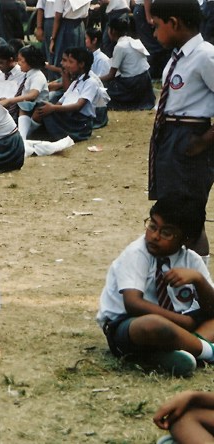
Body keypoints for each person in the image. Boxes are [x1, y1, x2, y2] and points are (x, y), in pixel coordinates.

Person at [97, 197, 214, 377]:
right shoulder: (137, 253)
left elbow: (211, 309)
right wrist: (182, 322)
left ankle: (172, 354)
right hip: (129, 326)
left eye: (166, 233)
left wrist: (199, 280)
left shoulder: (192, 260)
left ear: (187, 239)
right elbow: (133, 303)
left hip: (182, 326)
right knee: (155, 325)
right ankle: (206, 351)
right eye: (152, 226)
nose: (154, 236)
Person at [148, 0, 214, 259]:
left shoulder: (206, 56)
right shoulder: (177, 58)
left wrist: (203, 141)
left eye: (157, 26)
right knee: (171, 212)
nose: (154, 33)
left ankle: (200, 276)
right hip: (169, 137)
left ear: (174, 23)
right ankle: (175, 271)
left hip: (190, 137)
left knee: (189, 217)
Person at [31, 47, 100, 142]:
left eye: (71, 62)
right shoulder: (75, 82)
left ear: (81, 64)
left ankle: (30, 133)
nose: (67, 65)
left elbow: (78, 106)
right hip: (69, 116)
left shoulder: (91, 82)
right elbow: (60, 103)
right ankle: (31, 133)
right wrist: (50, 108)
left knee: (43, 109)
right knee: (41, 107)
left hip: (80, 123)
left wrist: (53, 108)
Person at [99, 16, 156, 111]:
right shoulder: (133, 40)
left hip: (132, 83)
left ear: (113, 31)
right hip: (145, 79)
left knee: (104, 92)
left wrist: (96, 79)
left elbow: (111, 75)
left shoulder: (120, 46)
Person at [0, 45, 48, 139]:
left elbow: (33, 95)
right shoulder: (28, 74)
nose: (18, 63)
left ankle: (26, 135)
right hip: (25, 109)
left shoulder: (37, 76)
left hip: (37, 110)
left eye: (21, 60)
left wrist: (10, 100)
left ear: (30, 61)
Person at [50, 0, 91, 68]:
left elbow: (58, 16)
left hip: (66, 27)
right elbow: (86, 15)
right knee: (78, 58)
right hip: (80, 26)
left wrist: (53, 39)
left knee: (63, 58)